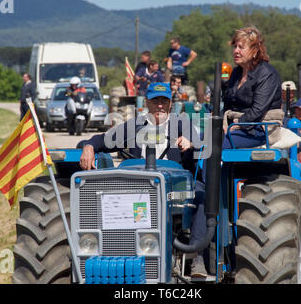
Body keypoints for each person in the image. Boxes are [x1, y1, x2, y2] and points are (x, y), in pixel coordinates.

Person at [79, 82, 208, 277]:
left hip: (177, 185)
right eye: (155, 101)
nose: (160, 106)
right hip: (138, 186)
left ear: (171, 103)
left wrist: (191, 143)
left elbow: (201, 145)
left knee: (201, 195)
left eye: (164, 101)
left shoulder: (182, 124)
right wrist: (88, 146)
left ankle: (196, 255)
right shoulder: (135, 126)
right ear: (146, 102)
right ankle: (108, 251)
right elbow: (102, 140)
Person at [222, 26, 284, 149]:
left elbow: (258, 110)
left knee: (214, 145)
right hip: (234, 127)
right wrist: (220, 125)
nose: (236, 51)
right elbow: (228, 105)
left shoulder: (266, 74)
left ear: (255, 51)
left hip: (258, 129)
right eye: (235, 47)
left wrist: (238, 124)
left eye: (241, 47)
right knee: (194, 138)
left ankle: (212, 168)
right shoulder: (236, 72)